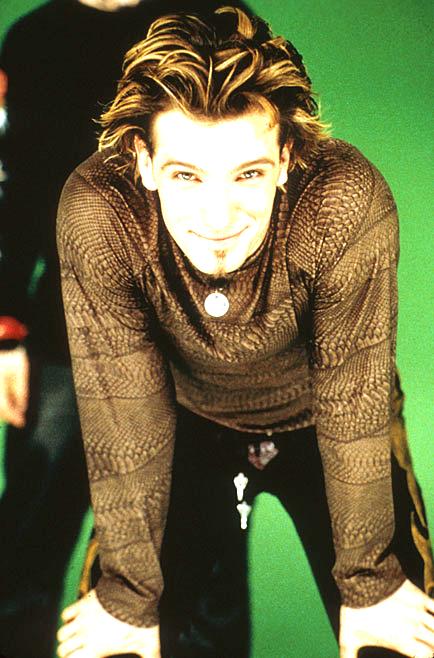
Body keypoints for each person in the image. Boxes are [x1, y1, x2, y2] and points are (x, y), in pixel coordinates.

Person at [55, 6, 434, 658]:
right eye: (186, 175)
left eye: (248, 174)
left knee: (401, 637)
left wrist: (370, 585)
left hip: (327, 418)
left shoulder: (344, 197)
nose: (217, 216)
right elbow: (124, 407)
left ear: (286, 160)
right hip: (183, 420)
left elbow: (352, 393)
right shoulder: (99, 209)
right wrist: (130, 596)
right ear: (143, 162)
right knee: (129, 641)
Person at [0, 2, 249, 657]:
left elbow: (266, 178)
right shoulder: (33, 40)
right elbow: (11, 189)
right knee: (25, 550)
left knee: (204, 557)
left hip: (195, 336)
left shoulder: (217, 20)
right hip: (62, 335)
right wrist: (5, 333)